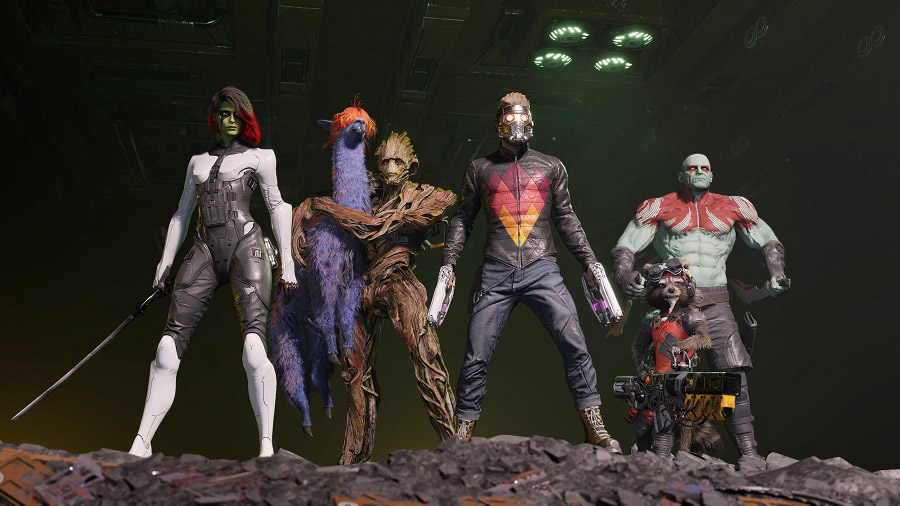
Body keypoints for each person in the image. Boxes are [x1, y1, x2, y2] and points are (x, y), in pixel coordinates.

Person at [441, 92, 620, 453]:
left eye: (523, 117)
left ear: (532, 120)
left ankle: (595, 426)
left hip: (543, 269)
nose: (518, 123)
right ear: (499, 123)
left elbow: (566, 218)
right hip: (496, 269)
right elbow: (463, 218)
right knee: (476, 354)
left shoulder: (552, 166)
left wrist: (588, 261)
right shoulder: (479, 168)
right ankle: (461, 432)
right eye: (510, 118)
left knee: (575, 344)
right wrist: (449, 260)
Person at [127, 86, 296, 458]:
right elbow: (181, 214)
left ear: (245, 116)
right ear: (215, 117)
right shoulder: (197, 162)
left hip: (245, 246)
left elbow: (278, 206)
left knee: (254, 348)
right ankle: (141, 442)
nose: (230, 120)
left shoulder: (261, 157)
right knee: (166, 349)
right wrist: (164, 263)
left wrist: (288, 263)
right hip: (204, 250)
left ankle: (266, 446)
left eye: (236, 113)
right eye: (223, 113)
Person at [611, 153, 789, 469]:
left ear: (712, 174)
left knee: (734, 375)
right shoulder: (660, 207)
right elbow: (626, 245)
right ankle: (660, 453)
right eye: (692, 168)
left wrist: (776, 273)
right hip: (675, 305)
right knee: (665, 380)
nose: (699, 171)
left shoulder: (733, 206)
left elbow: (768, 240)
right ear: (681, 175)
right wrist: (626, 278)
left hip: (717, 303)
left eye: (704, 168)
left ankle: (749, 453)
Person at [309, 131, 457, 463]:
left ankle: (455, 446)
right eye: (386, 161)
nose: (391, 168)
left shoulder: (428, 196)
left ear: (411, 166)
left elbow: (375, 227)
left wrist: (329, 207)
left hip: (397, 277)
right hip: (361, 284)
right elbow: (311, 208)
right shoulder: (365, 194)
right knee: (355, 373)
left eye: (398, 162)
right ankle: (353, 460)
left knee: (426, 355)